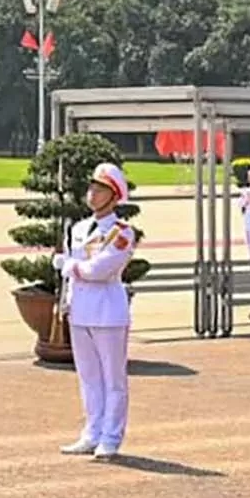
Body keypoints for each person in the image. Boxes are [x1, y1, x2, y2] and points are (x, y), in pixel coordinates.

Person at [57, 162, 138, 461]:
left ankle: (111, 437)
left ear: (114, 196)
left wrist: (69, 267)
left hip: (107, 311)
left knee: (113, 379)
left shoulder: (122, 233)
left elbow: (100, 270)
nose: (92, 194)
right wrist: (66, 299)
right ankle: (91, 432)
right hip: (80, 309)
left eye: (100, 189)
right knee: (88, 377)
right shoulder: (78, 228)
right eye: (92, 187)